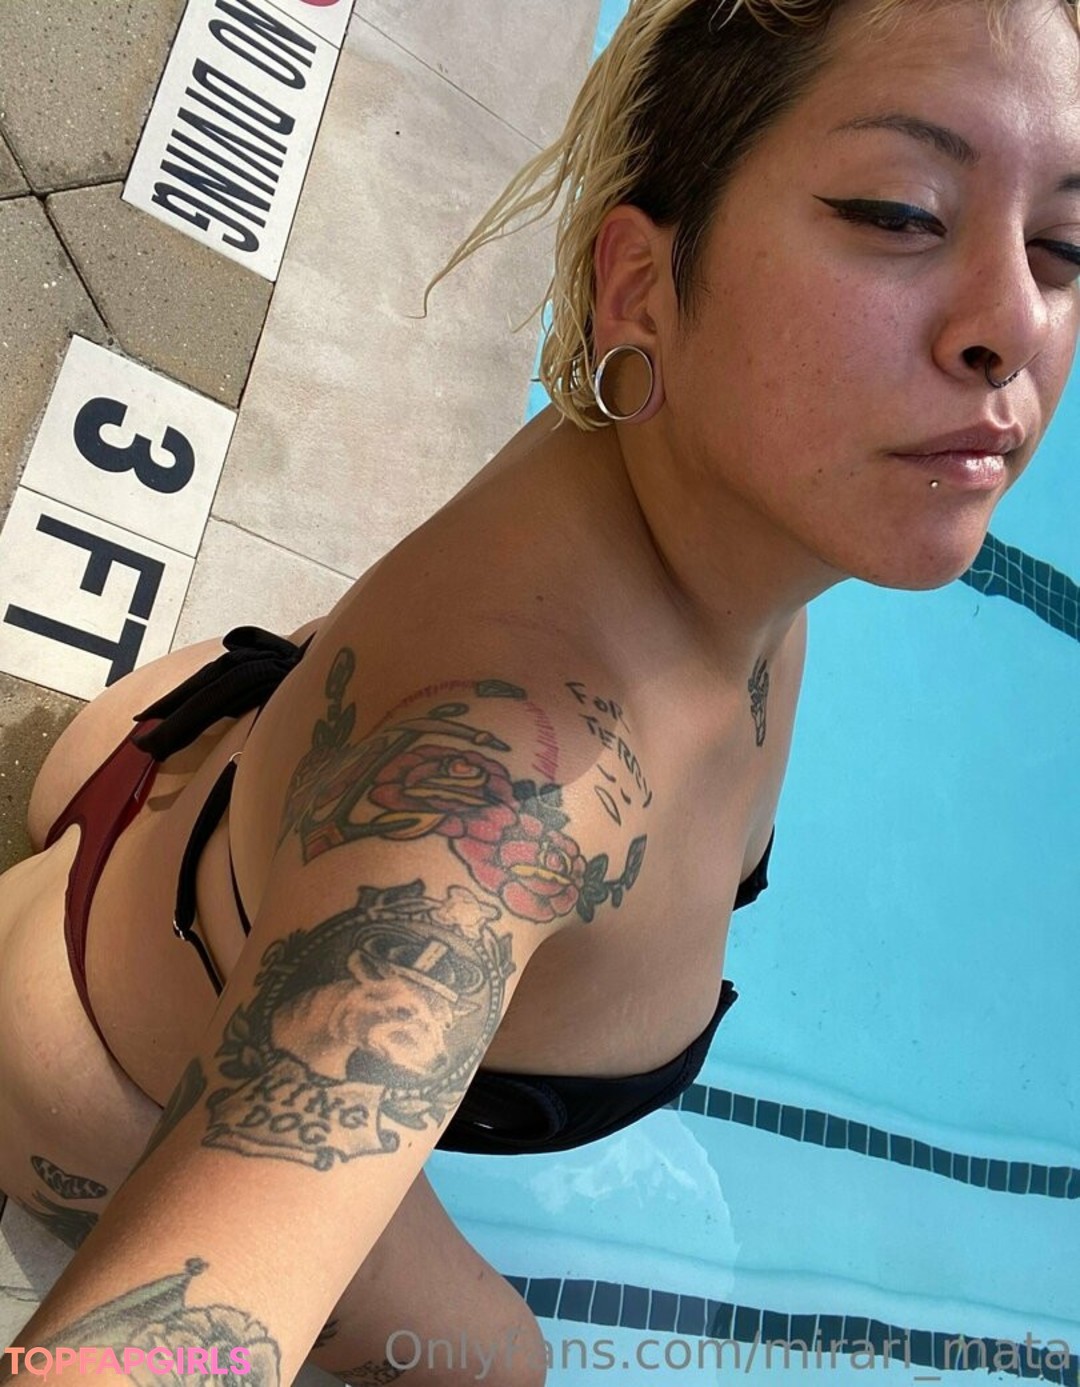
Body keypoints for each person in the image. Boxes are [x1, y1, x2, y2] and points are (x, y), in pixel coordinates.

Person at [0, 0, 1077, 1382]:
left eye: (1065, 245)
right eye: (900, 213)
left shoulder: (713, 497)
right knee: (503, 1365)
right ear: (640, 286)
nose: (1013, 324)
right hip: (91, 1070)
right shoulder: (514, 786)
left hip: (161, 760)